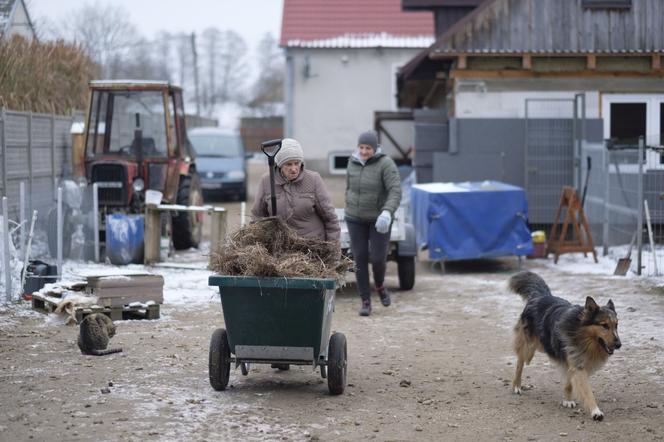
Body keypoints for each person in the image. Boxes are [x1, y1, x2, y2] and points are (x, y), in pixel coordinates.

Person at [344, 130, 401, 316]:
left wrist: (387, 212)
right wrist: (349, 206)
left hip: (379, 219)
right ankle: (365, 301)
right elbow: (349, 188)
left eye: (368, 148)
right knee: (359, 258)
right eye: (361, 147)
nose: (364, 151)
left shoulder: (386, 164)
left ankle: (379, 285)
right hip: (355, 218)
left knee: (377, 259)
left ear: (375, 148)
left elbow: (395, 191)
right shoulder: (352, 162)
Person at [251, 138, 340, 243]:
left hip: (313, 246)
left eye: (296, 163)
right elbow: (257, 218)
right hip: (281, 248)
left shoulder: (313, 180)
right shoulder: (267, 181)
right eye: (288, 164)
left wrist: (332, 252)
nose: (293, 169)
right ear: (279, 165)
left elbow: (330, 218)